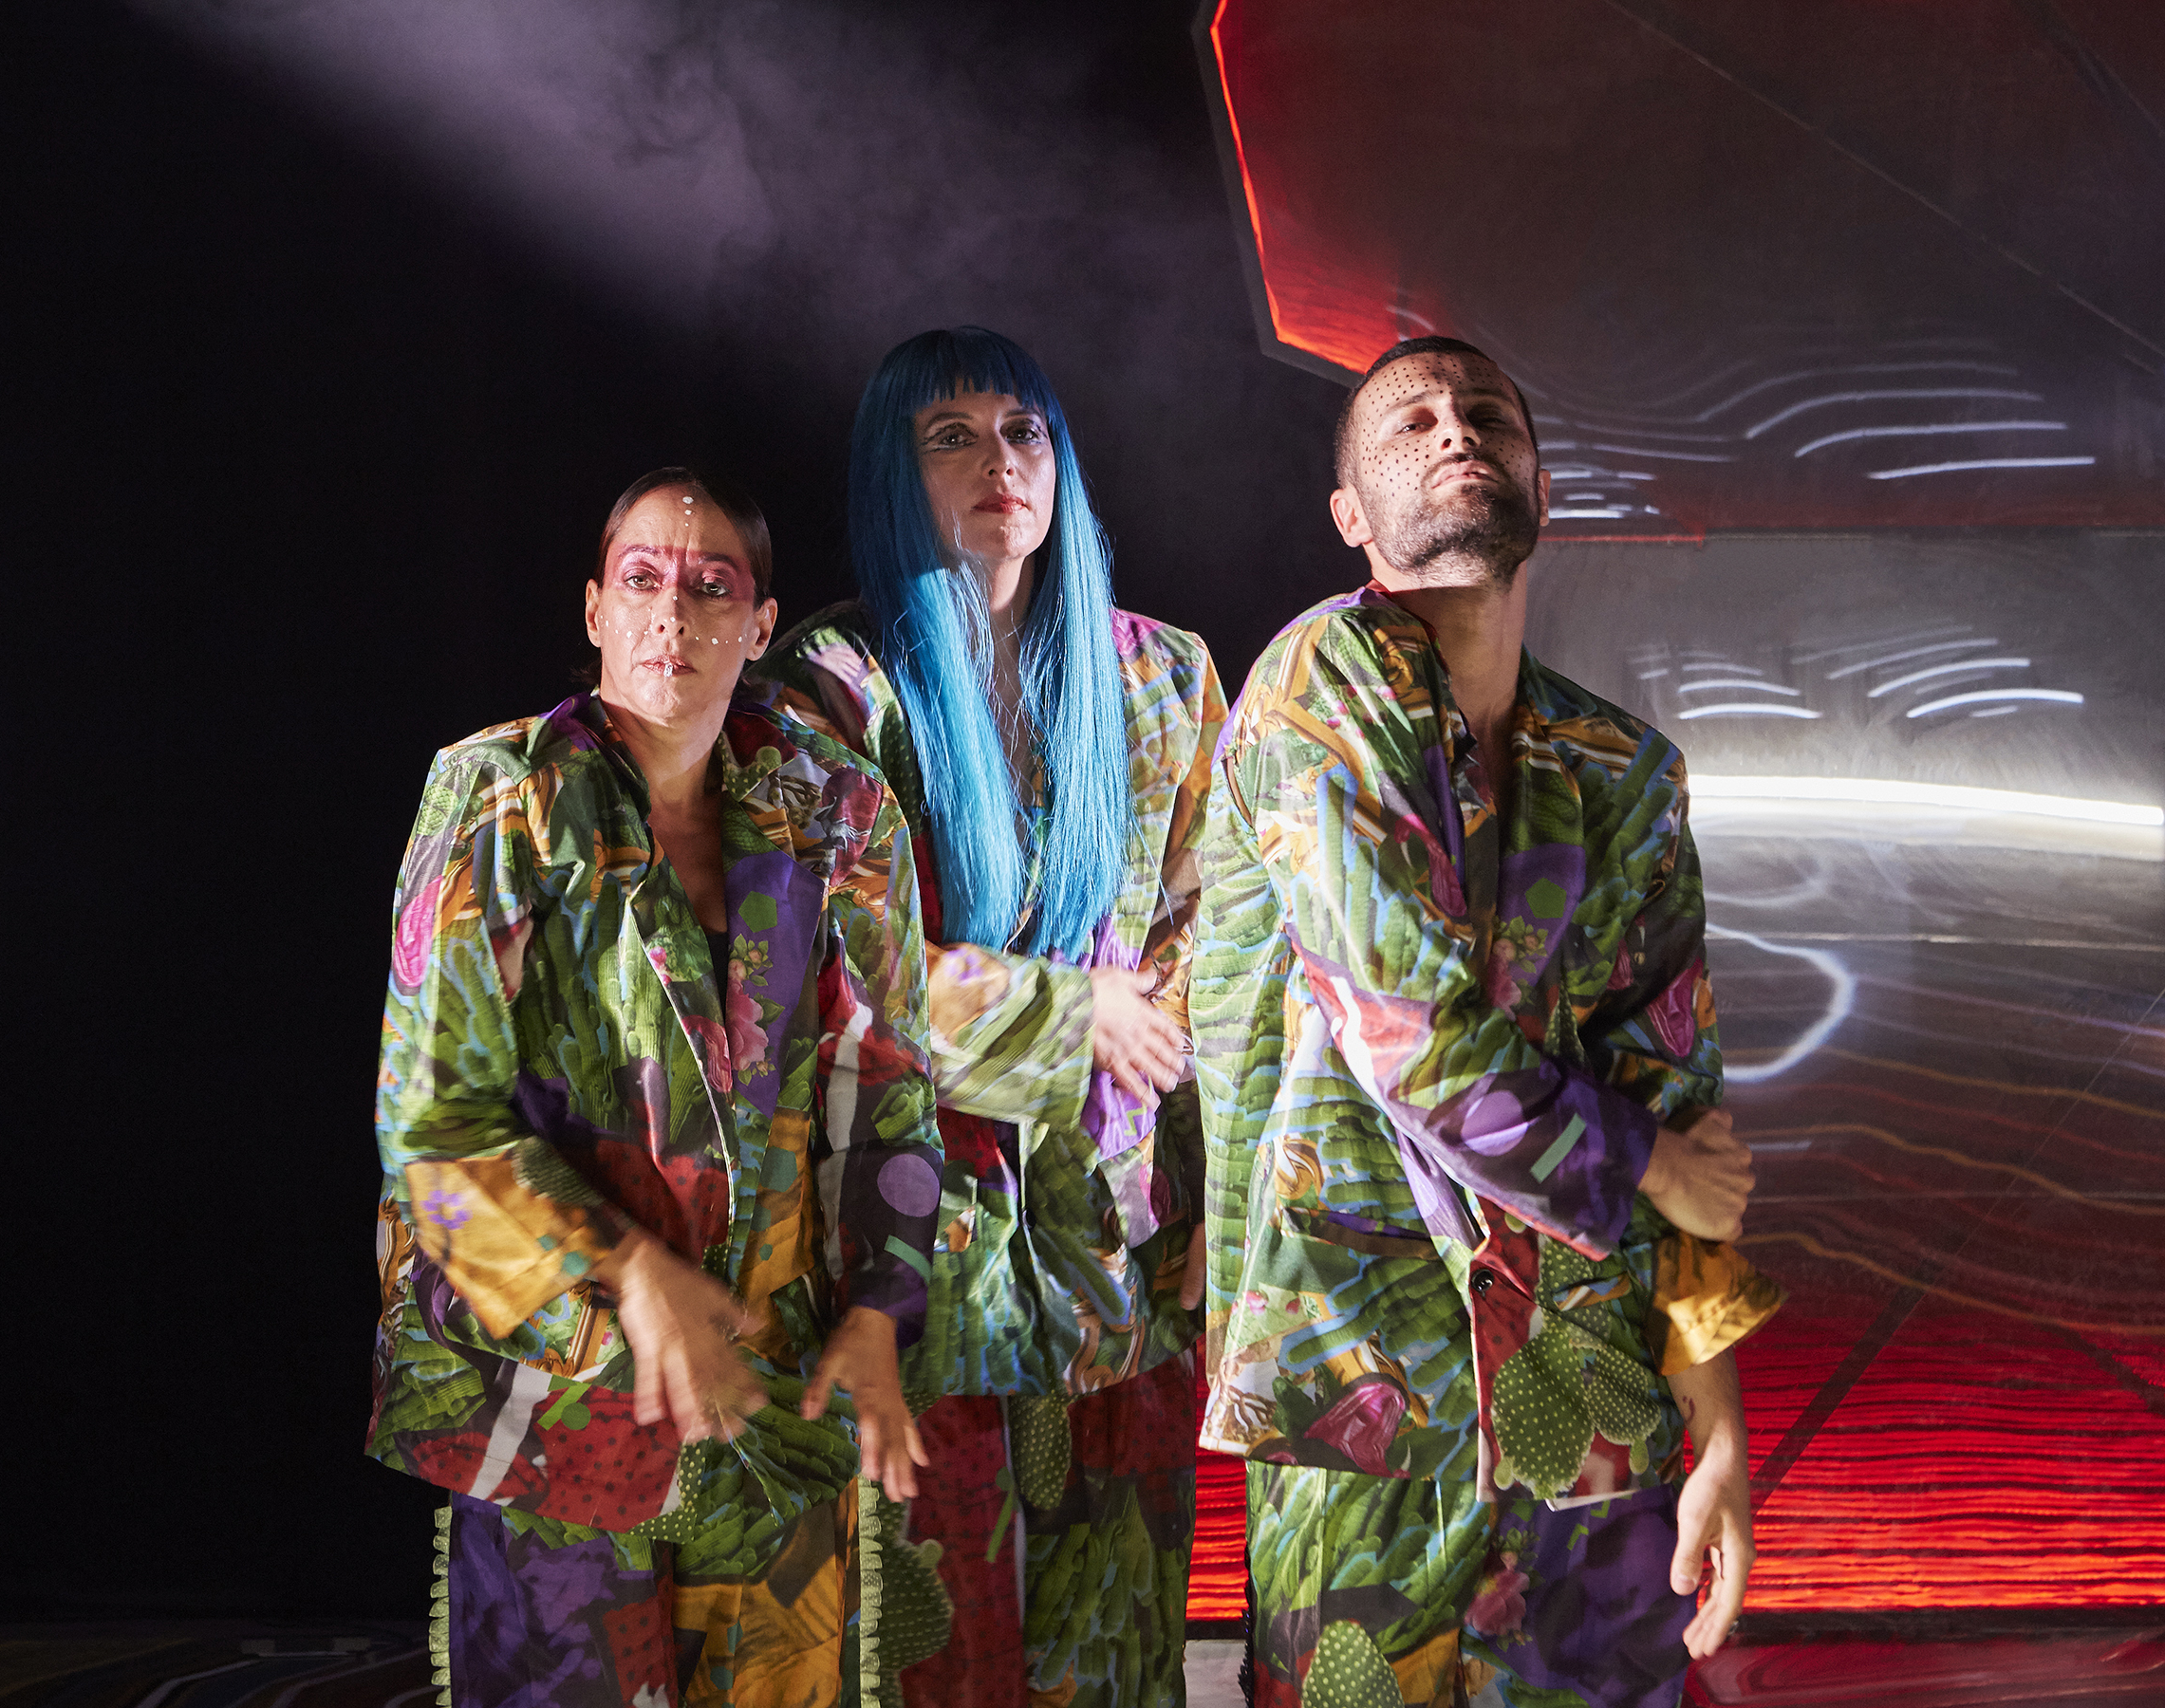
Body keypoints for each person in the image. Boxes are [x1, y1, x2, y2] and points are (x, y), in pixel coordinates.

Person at [1190, 338, 1785, 1708]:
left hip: (1593, 1393)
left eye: (1486, 415)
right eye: (1410, 422)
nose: (1455, 429)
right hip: (1365, 1387)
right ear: (1352, 515)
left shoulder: (1627, 770)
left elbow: (1679, 1096)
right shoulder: (1319, 683)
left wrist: (1719, 1418)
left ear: (1542, 485)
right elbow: (1411, 1030)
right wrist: (1647, 1162)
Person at [367, 468, 943, 1708]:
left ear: (761, 623)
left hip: (773, 1395)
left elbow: (889, 1084)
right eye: (642, 579)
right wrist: (630, 1277)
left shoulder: (835, 805)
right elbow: (432, 1125)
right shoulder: (502, 796)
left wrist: (882, 1305)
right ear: (595, 610)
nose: (672, 611)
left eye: (711, 586)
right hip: (564, 1404)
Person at [758, 327, 1225, 1708]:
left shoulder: (1164, 676)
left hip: (1123, 1235)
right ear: (892, 473)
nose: (997, 463)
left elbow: (1221, 943)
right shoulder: (833, 685)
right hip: (915, 1238)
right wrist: (1071, 1015)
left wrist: (1223, 1207)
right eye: (949, 437)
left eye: (1024, 432)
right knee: (932, 1643)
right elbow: (836, 967)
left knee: (1119, 1646)